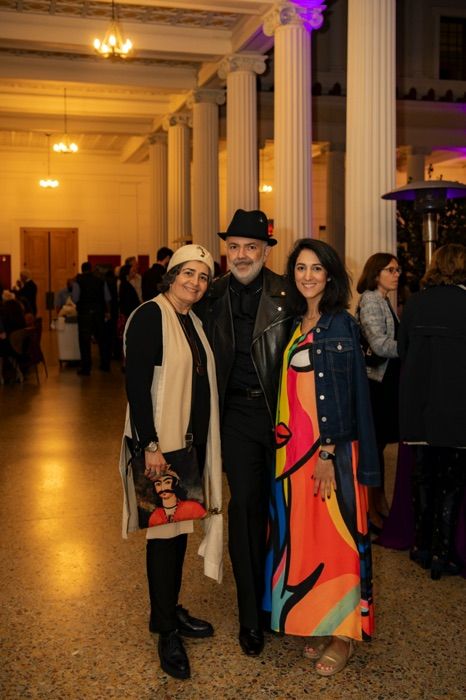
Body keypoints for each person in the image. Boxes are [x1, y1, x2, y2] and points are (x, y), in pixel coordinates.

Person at [265, 238, 379, 676]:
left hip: (328, 450)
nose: (307, 276)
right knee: (307, 538)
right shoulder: (298, 322)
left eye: (316, 268)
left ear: (329, 275)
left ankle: (343, 635)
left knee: (337, 540)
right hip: (293, 453)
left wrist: (328, 452)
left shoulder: (339, 325)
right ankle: (319, 619)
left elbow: (346, 395)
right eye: (300, 268)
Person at [119, 244, 222, 680]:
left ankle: (170, 608)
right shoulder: (150, 315)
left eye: (203, 276)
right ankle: (164, 629)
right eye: (188, 273)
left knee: (179, 529)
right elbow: (137, 386)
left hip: (187, 446)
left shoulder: (191, 320)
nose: (195, 282)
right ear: (172, 274)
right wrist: (151, 445)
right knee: (163, 535)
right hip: (162, 448)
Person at [198, 208, 293, 656]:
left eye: (250, 247)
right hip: (234, 415)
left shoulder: (287, 294)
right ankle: (251, 616)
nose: (240, 255)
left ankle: (285, 602)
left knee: (286, 511)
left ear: (265, 251)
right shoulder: (211, 294)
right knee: (247, 509)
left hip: (282, 416)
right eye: (233, 247)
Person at [398, 243, 466, 580]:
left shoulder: (415, 302)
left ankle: (420, 545)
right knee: (451, 482)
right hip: (456, 405)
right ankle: (442, 552)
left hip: (418, 405)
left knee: (423, 476)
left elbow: (402, 349)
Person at [356, 253, 401, 532]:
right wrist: (411, 346)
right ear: (376, 273)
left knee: (378, 447)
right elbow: (380, 345)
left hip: (384, 383)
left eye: (398, 270)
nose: (397, 275)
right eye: (391, 270)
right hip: (375, 384)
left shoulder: (383, 299)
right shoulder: (371, 299)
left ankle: (379, 504)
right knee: (373, 448)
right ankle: (371, 510)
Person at [75, 262, 111, 375]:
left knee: (84, 341)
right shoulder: (101, 280)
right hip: (99, 313)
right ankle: (105, 364)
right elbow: (107, 298)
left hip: (84, 314)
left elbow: (75, 298)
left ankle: (86, 368)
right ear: (91, 269)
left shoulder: (78, 281)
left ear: (82, 270)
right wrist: (107, 311)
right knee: (102, 339)